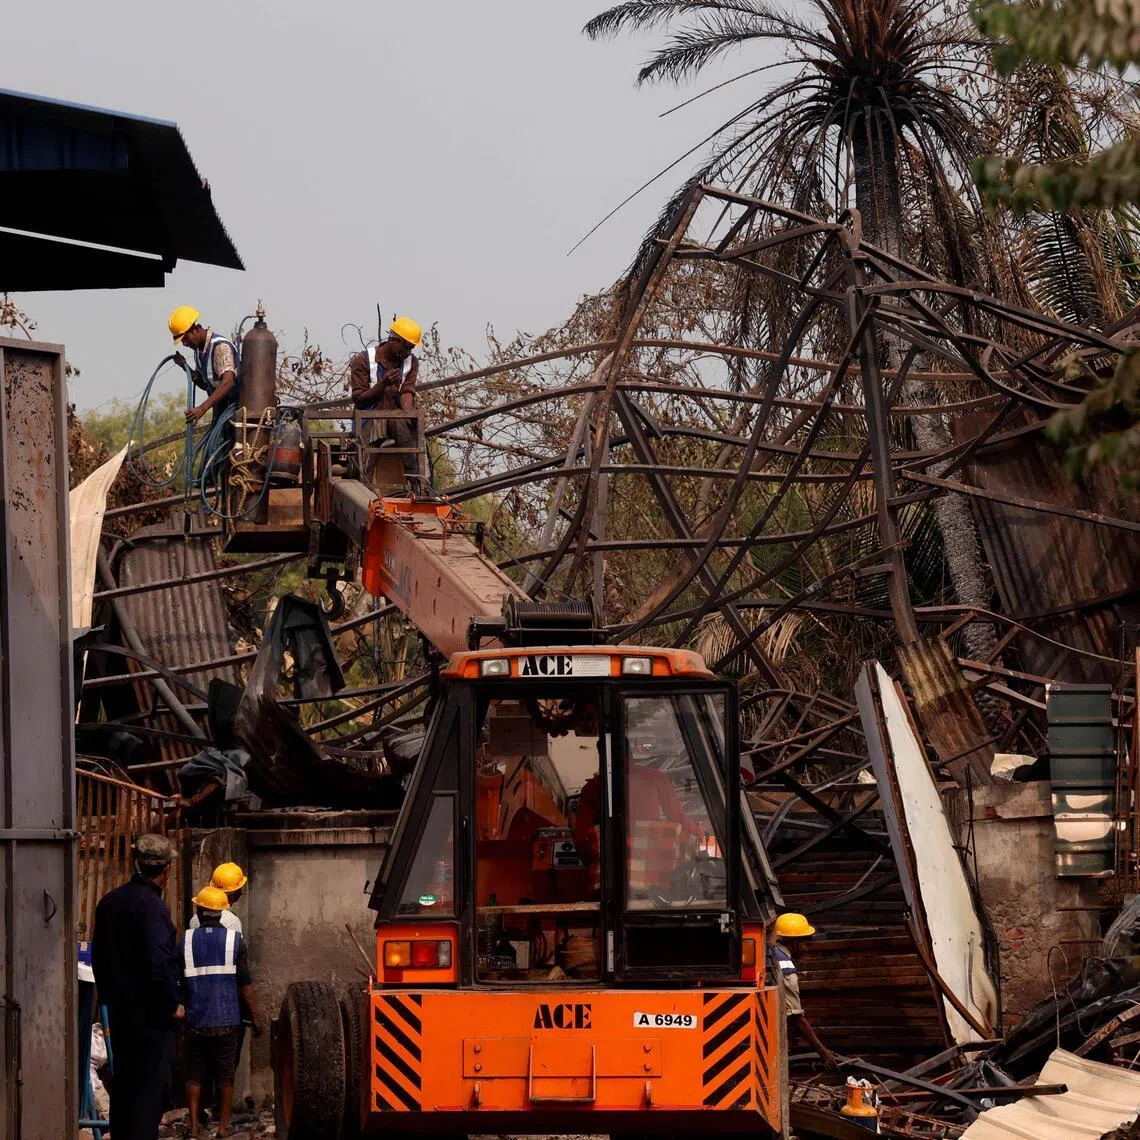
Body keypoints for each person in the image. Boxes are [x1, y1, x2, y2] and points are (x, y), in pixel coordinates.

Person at [92, 834, 184, 1140]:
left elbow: (99, 960)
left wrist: (111, 998)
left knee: (125, 1090)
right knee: (148, 1096)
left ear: (136, 863)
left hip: (121, 1017)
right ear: (166, 870)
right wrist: (172, 1006)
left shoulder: (109, 903)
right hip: (152, 1021)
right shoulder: (153, 908)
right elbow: (160, 963)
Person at [183, 885, 263, 1139]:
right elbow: (245, 983)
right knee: (226, 1075)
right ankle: (224, 1126)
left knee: (194, 1074)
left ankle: (194, 1127)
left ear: (198, 911)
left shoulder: (185, 940)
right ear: (222, 912)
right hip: (227, 1019)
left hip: (195, 1019)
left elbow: (176, 979)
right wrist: (256, 1016)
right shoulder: (234, 941)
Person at [349, 316, 422, 481]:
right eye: (406, 347)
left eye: (411, 348)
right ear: (393, 341)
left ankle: (416, 482)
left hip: (393, 416)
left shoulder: (411, 362)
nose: (409, 352)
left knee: (404, 430)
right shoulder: (364, 360)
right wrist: (383, 384)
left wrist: (409, 414)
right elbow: (359, 398)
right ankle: (364, 489)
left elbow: (406, 392)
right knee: (364, 461)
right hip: (368, 418)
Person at [770, 912, 837, 1069]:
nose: (806, 949)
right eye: (805, 943)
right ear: (794, 943)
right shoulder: (786, 969)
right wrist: (822, 1052)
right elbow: (796, 1018)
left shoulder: (771, 954)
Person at [168, 306, 240, 427]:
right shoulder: (199, 352)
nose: (184, 344)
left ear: (196, 329)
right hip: (221, 414)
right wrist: (185, 367)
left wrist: (203, 408)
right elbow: (205, 385)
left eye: (185, 338)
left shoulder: (220, 347)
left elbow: (228, 382)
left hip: (237, 412)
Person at [188, 861, 247, 933]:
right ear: (234, 893)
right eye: (240, 888)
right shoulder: (232, 921)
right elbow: (236, 940)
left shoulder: (194, 920)